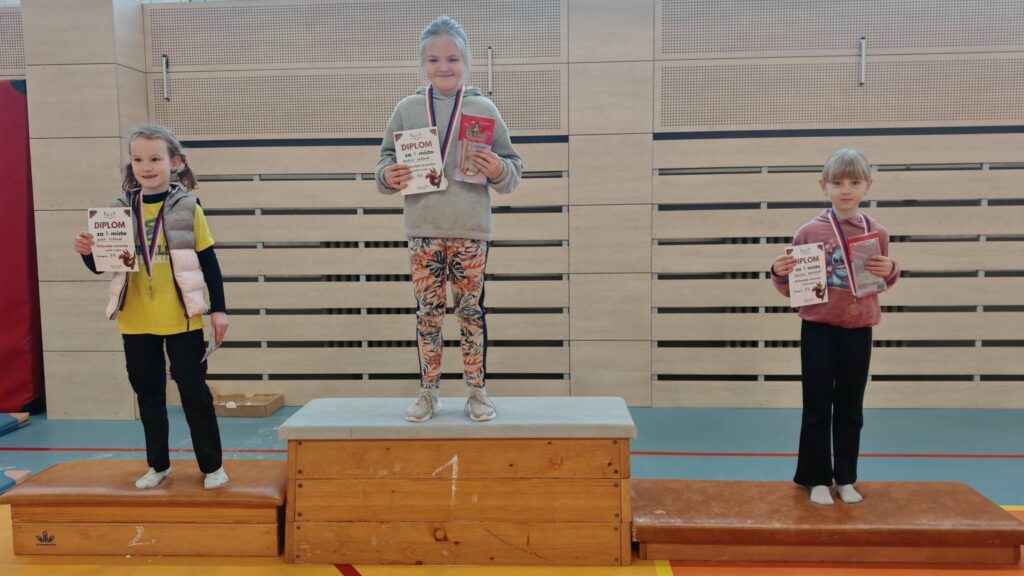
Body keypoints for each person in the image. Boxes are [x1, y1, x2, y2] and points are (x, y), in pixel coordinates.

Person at [376, 16, 523, 423]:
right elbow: (384, 162)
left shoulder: (483, 109)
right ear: (423, 63)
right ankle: (429, 392)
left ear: (467, 62)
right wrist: (387, 176)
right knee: (428, 315)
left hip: (470, 231)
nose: (444, 67)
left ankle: (476, 392)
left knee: (471, 314)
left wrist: (498, 169)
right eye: (435, 59)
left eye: (453, 59)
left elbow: (513, 169)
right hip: (423, 230)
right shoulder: (407, 109)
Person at [73, 124, 230, 489]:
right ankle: (158, 465)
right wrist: (87, 253)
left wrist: (219, 311)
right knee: (148, 395)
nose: (146, 166)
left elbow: (209, 262)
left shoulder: (189, 208)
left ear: (175, 162)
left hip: (182, 318)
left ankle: (212, 466)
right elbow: (102, 266)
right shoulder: (117, 212)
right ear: (131, 164)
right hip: (135, 319)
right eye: (138, 159)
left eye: (155, 159)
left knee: (194, 393)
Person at [769, 148, 899, 505]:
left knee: (850, 406)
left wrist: (891, 270)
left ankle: (845, 477)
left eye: (854, 182)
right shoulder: (808, 231)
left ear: (868, 185)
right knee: (816, 404)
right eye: (838, 183)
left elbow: (883, 278)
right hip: (819, 329)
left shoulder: (877, 232)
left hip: (859, 329)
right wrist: (778, 272)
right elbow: (792, 286)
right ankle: (815, 479)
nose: (846, 190)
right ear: (823, 186)